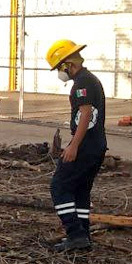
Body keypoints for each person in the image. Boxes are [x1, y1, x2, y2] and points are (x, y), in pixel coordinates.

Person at [45, 40, 107, 252]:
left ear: (67, 64)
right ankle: (84, 235)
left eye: (59, 68)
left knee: (59, 186)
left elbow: (86, 114)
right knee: (80, 190)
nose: (59, 73)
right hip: (96, 146)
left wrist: (73, 146)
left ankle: (75, 233)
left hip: (86, 146)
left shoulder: (82, 83)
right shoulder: (90, 79)